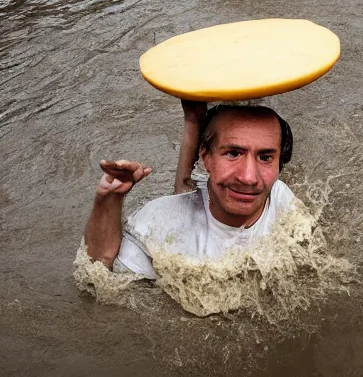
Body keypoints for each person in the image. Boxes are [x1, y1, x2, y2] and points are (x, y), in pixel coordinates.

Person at [83, 103, 297, 278]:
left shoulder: (284, 204)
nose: (249, 177)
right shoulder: (157, 224)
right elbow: (99, 277)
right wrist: (110, 199)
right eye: (233, 153)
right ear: (206, 158)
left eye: (266, 157)